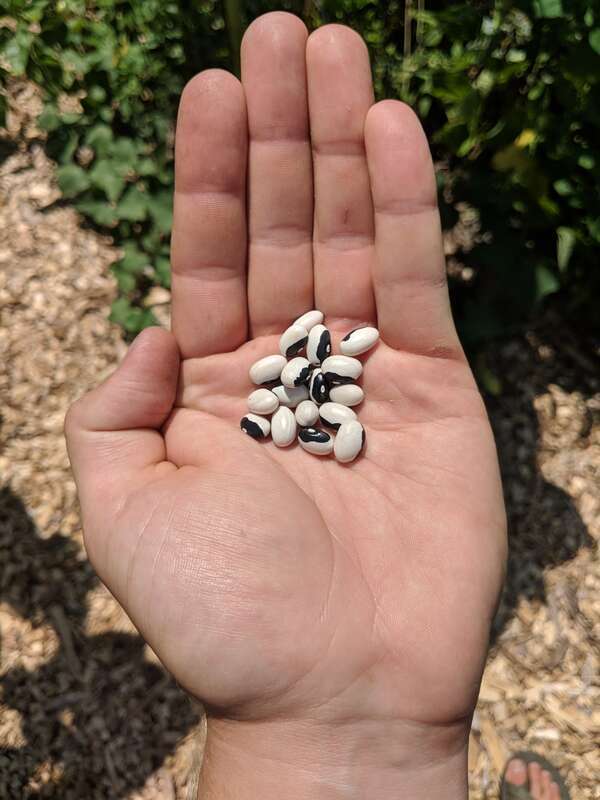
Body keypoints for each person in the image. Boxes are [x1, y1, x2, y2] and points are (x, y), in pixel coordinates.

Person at [65, 12, 568, 800]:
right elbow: (309, 403)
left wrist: (304, 732)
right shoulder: (304, 381)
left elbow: (315, 400)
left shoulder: (313, 377)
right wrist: (318, 721)